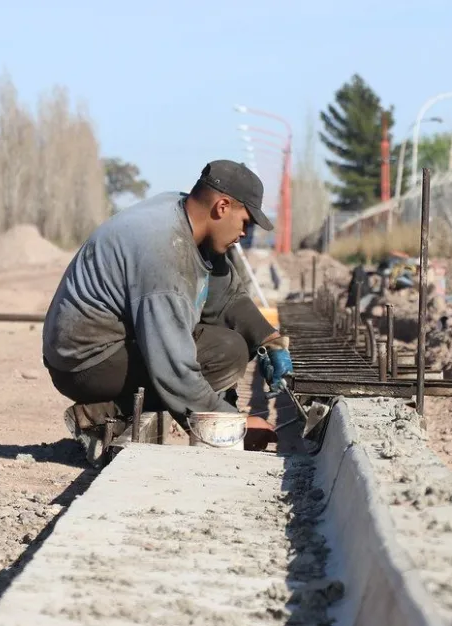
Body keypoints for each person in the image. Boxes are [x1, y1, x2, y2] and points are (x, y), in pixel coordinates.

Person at [42, 160, 293, 461]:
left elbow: (226, 297)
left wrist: (269, 340)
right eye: (246, 222)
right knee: (224, 352)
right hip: (85, 361)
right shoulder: (165, 251)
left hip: (111, 345)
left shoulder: (185, 218)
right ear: (222, 207)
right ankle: (104, 415)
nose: (245, 233)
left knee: (230, 345)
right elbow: (174, 368)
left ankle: (101, 412)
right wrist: (232, 426)